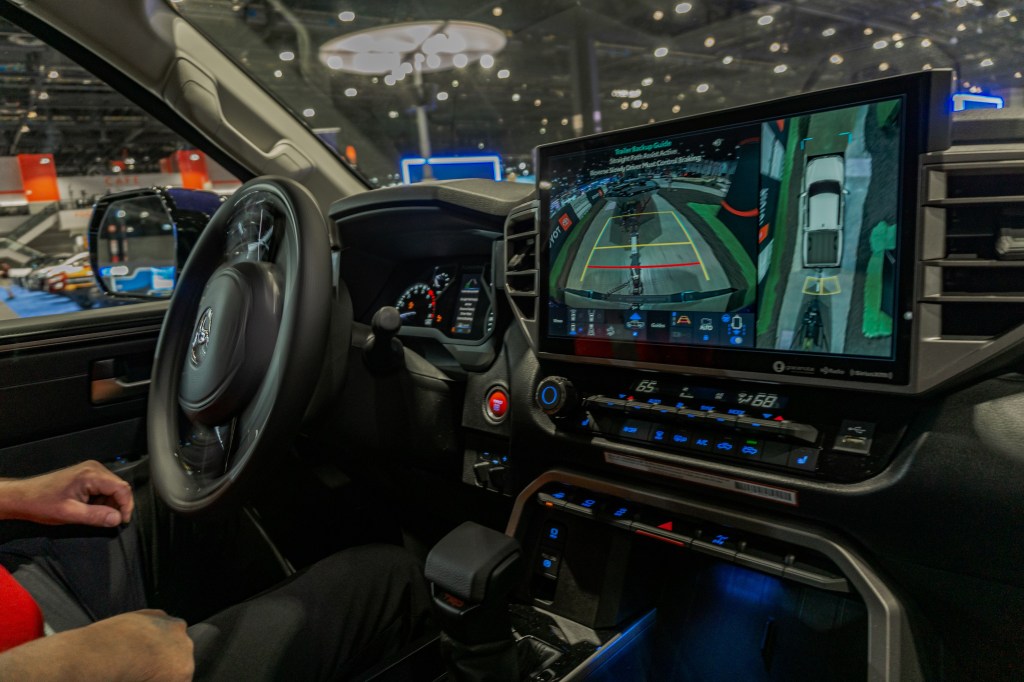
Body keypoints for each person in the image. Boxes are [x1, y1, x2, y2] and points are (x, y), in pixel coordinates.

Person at [0, 460, 431, 681]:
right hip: (54, 664)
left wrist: (16, 496)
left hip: (24, 585)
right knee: (393, 580)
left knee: (197, 494)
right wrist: (84, 665)